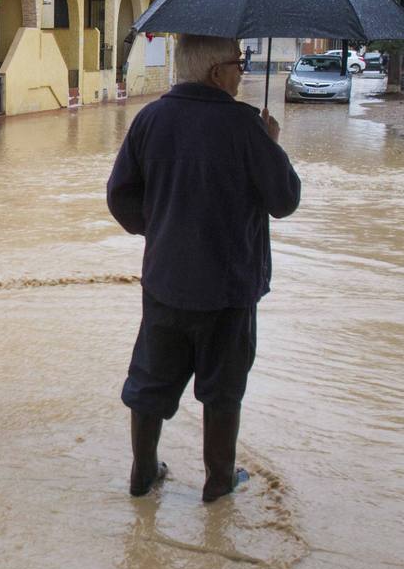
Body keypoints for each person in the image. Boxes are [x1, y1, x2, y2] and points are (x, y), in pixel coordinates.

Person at [106, 35, 301, 502]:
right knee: (223, 388)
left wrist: (161, 231)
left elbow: (119, 196)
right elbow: (285, 201)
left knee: (151, 379)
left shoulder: (149, 118)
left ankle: (144, 472)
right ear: (217, 73)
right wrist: (272, 145)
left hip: (166, 280)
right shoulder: (245, 125)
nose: (242, 71)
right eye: (238, 63)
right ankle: (218, 481)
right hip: (229, 289)